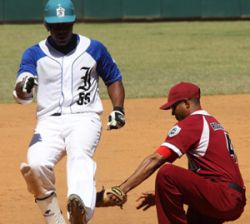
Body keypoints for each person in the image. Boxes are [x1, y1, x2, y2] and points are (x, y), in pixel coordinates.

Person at [13, 0, 125, 223]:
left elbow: (113, 79)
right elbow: (22, 89)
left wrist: (118, 109)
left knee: (79, 157)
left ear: (73, 22)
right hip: (48, 122)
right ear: (46, 25)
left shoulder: (94, 48)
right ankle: (53, 215)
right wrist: (23, 86)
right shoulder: (34, 53)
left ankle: (80, 211)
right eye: (56, 25)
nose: (61, 30)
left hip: (85, 118)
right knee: (36, 164)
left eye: (65, 24)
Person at [102, 82, 246, 224]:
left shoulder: (193, 123)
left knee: (167, 174)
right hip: (230, 198)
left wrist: (122, 189)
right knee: (194, 215)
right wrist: (164, 194)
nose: (172, 113)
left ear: (186, 104)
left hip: (222, 196)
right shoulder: (212, 123)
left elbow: (156, 159)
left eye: (174, 107)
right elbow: (209, 174)